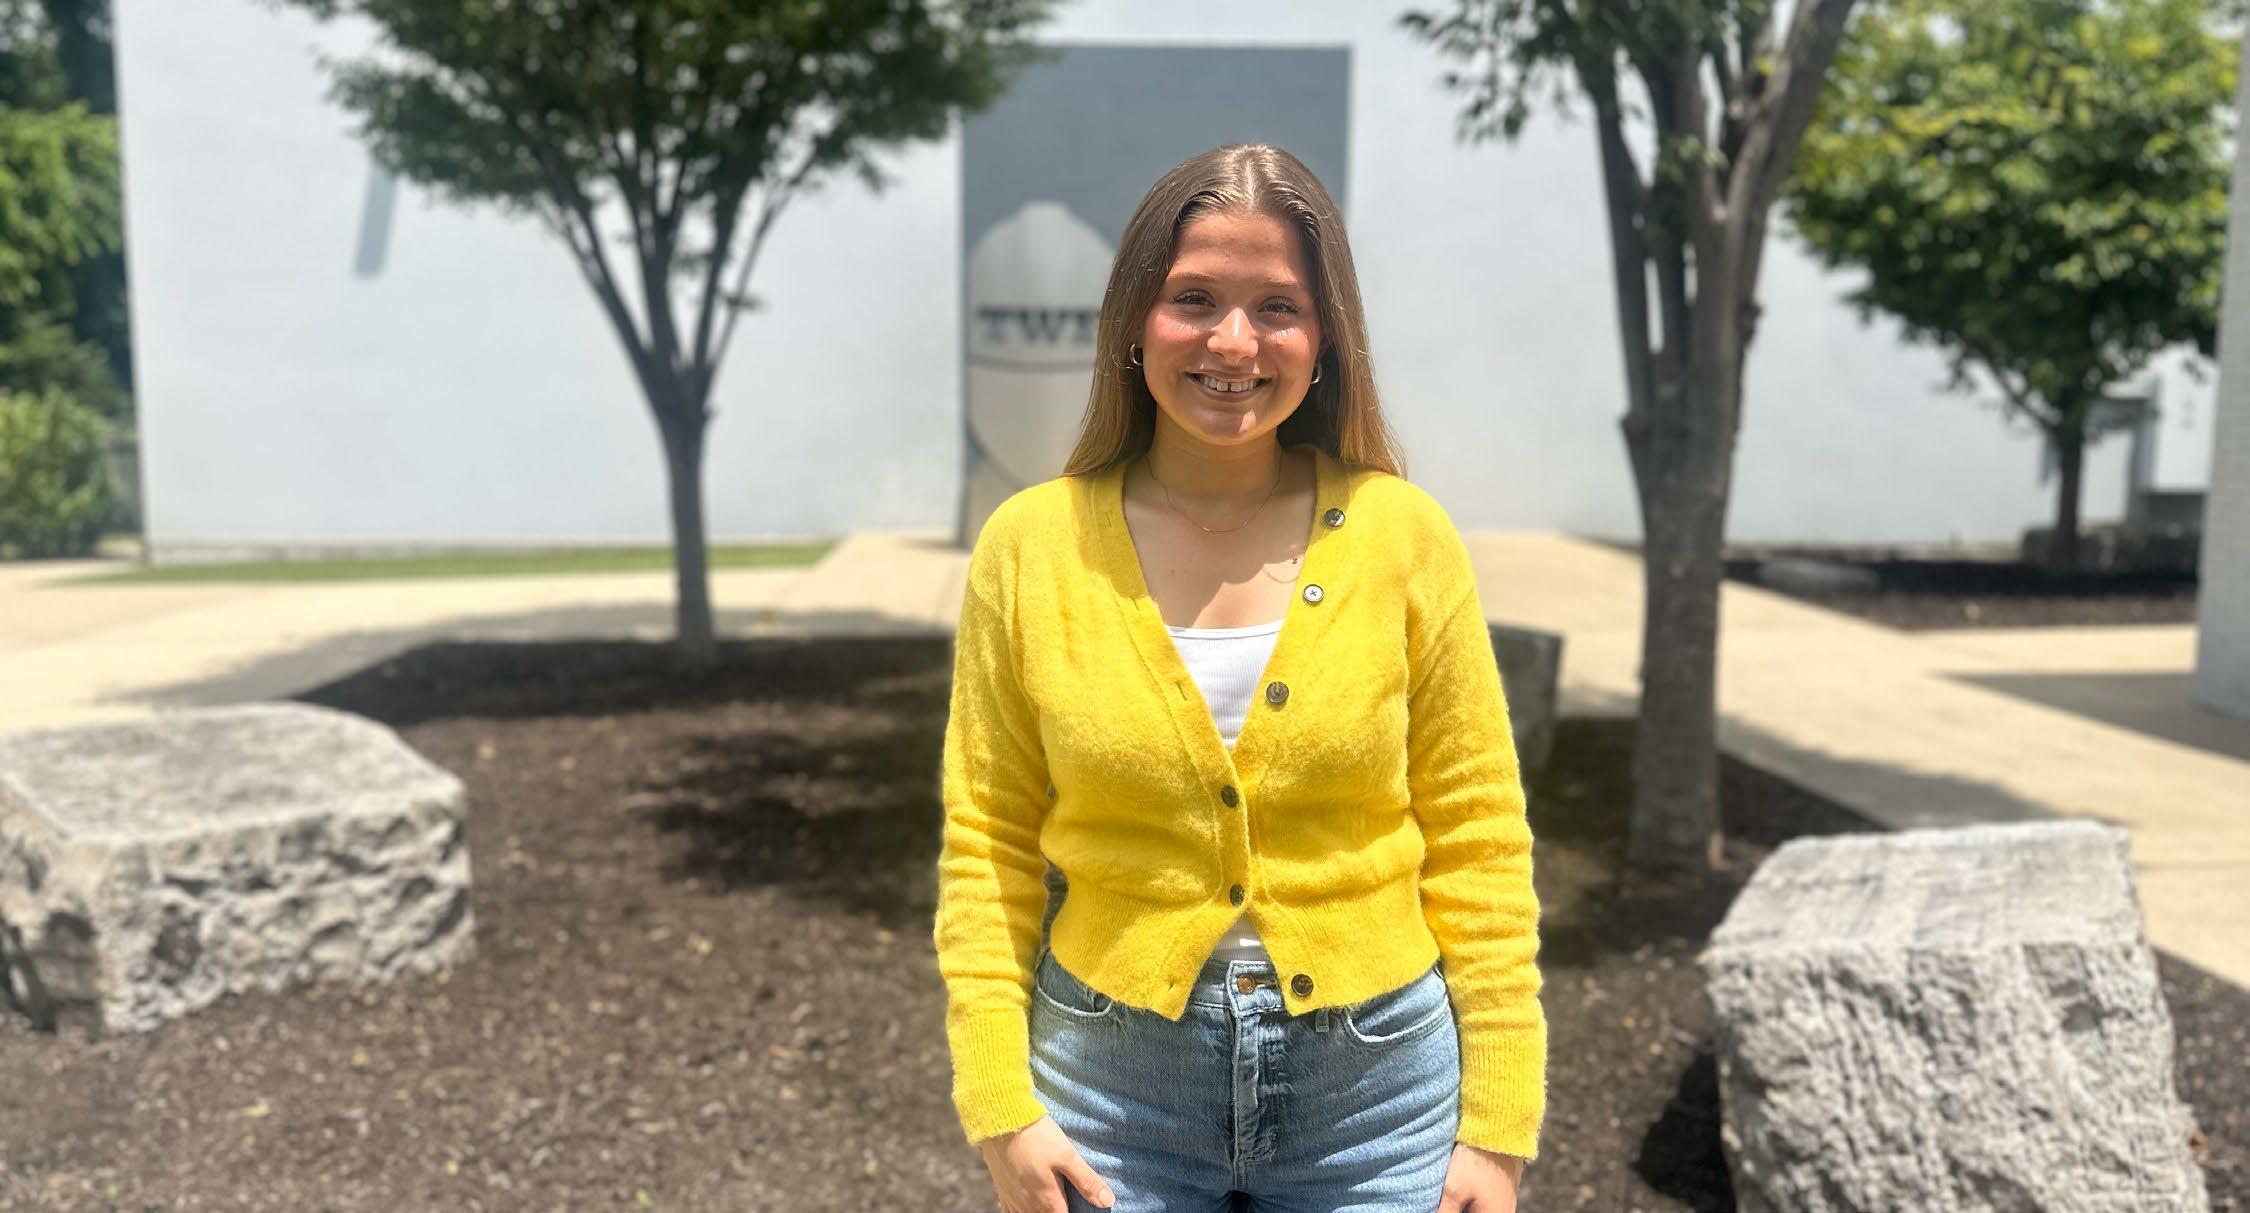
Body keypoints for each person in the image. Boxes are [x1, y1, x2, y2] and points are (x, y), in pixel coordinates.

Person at [934, 143, 1544, 1213]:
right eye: (1195, 299)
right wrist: (1000, 1107)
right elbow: (987, 840)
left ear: (1326, 336)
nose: (1233, 341)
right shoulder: (1030, 547)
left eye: (1277, 307)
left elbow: (1478, 831)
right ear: (1134, 320)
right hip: (1109, 1091)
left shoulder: (1404, 537)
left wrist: (1498, 1127)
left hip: (1379, 1102)